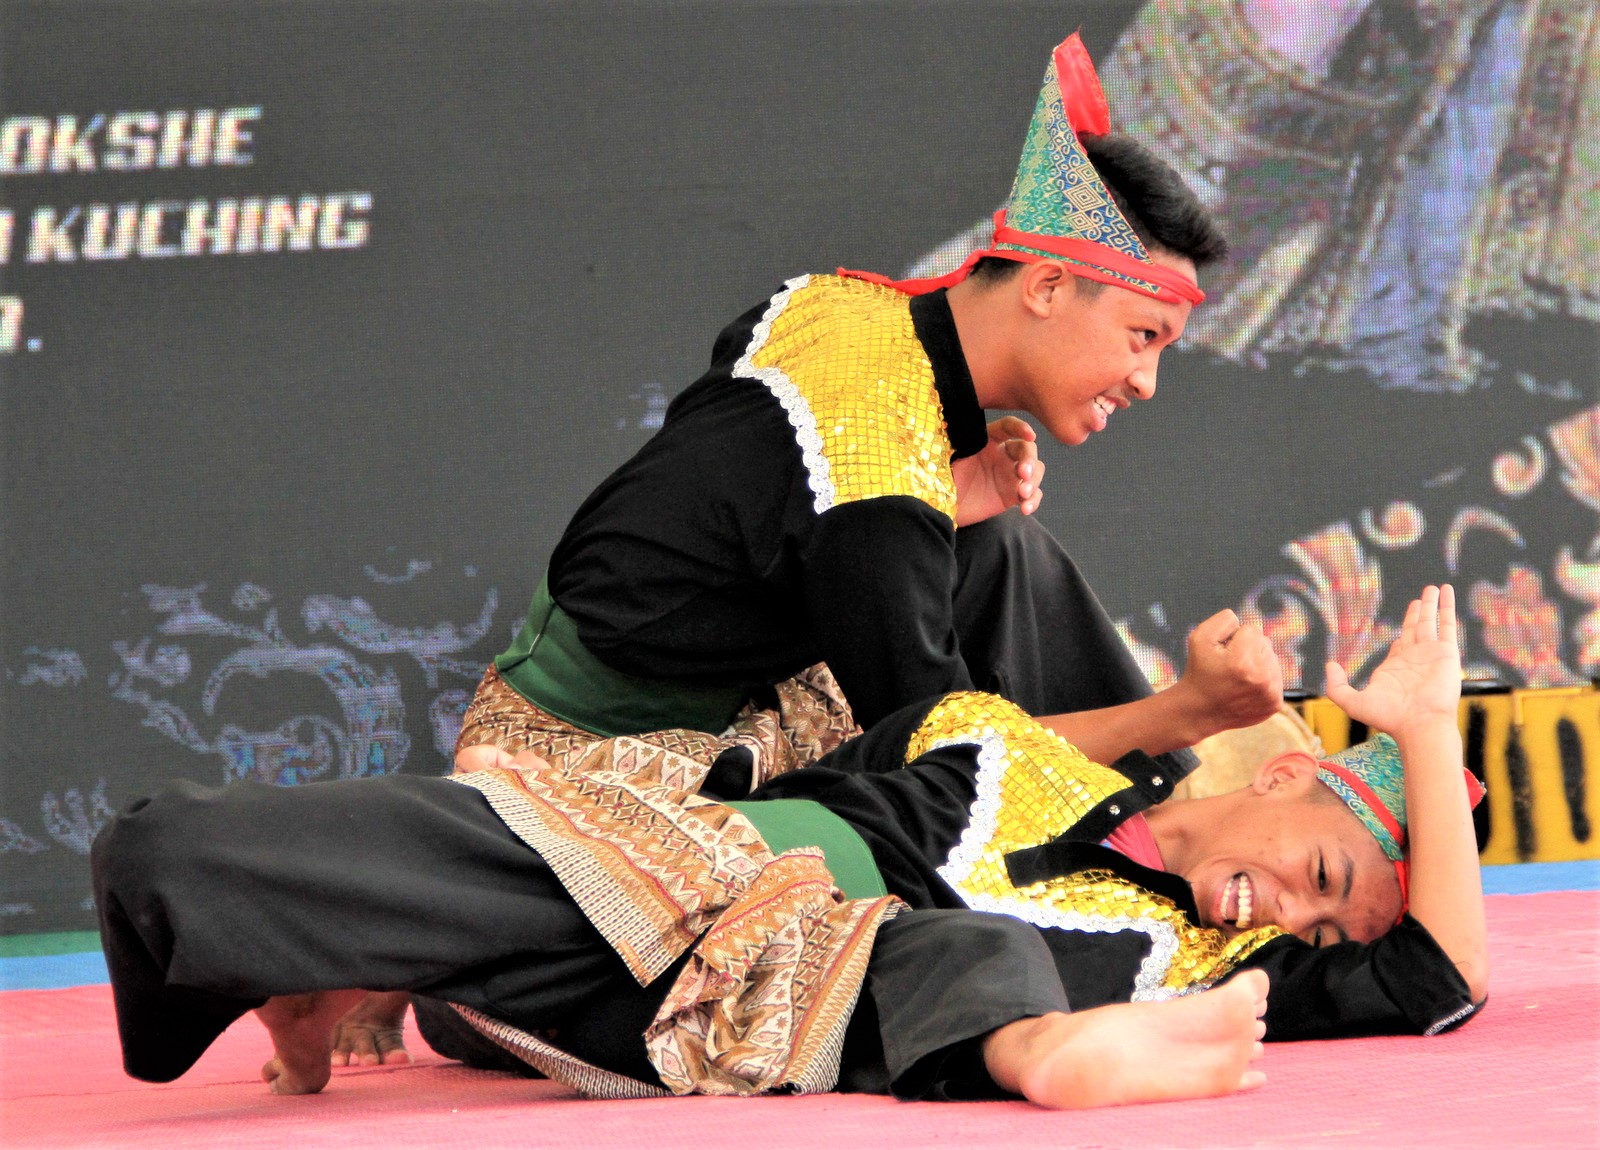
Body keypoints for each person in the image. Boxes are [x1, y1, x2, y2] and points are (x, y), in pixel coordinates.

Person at [330, 29, 1285, 1064]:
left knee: (1002, 551)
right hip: (608, 774)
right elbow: (953, 770)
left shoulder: (838, 308)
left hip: (715, 693)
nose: (1145, 381)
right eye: (1143, 337)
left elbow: (748, 483)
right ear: (1048, 286)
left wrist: (947, 497)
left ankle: (1164, 826)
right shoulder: (875, 478)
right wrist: (1181, 710)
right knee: (811, 961)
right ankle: (434, 952)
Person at [92, 585, 1484, 1109]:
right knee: (171, 860)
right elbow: (822, 775)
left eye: (1316, 931)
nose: (1282, 914)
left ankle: (1043, 1056)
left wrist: (1430, 734)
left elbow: (1436, 976)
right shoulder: (1007, 744)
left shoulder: (1212, 968)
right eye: (1318, 875)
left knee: (966, 946)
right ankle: (331, 970)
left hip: (768, 1009)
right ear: (1287, 774)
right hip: (665, 882)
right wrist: (1177, 709)